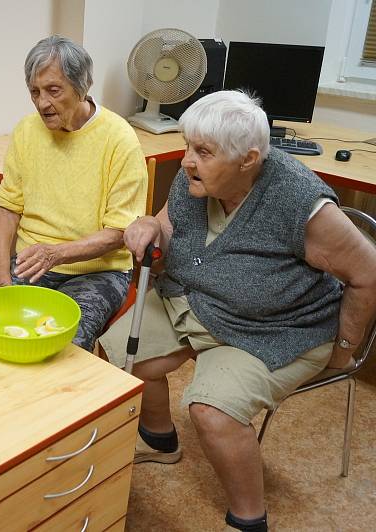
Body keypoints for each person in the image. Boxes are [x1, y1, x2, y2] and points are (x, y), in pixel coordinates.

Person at [99, 90, 376, 532]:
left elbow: (369, 273)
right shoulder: (196, 177)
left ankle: (249, 519)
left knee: (213, 412)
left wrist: (345, 348)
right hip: (195, 299)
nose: (187, 159)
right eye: (188, 145)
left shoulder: (300, 201)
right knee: (116, 357)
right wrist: (151, 224)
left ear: (248, 159)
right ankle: (158, 437)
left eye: (202, 152)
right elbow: (171, 223)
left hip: (273, 328)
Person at [0, 35, 148, 352]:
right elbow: (8, 208)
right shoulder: (26, 131)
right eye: (35, 92)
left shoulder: (119, 139)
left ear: (80, 87)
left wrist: (56, 253)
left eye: (53, 91)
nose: (43, 103)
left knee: (61, 343)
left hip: (100, 271)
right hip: (33, 264)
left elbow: (119, 233)